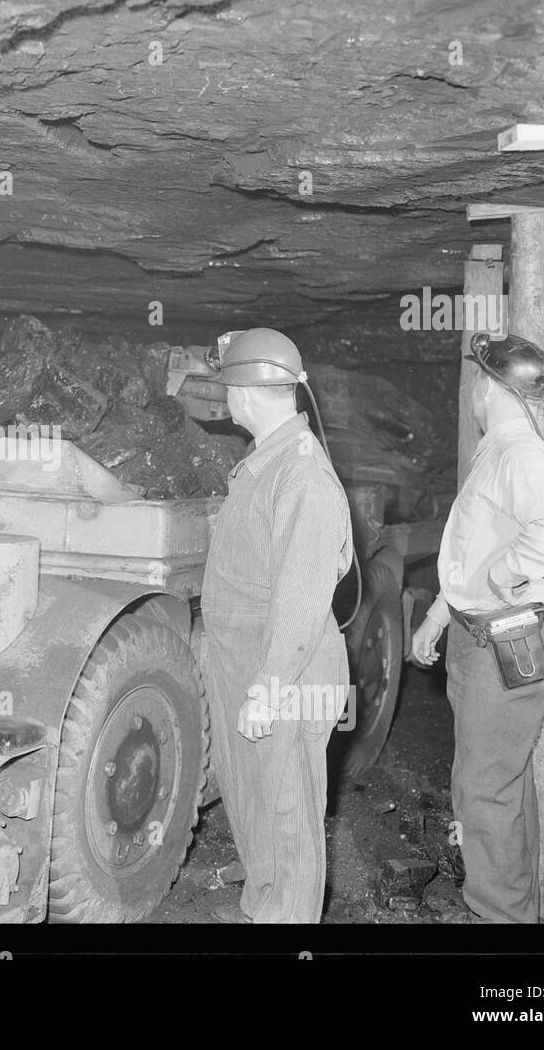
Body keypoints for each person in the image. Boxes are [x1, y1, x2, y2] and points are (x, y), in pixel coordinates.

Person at [412, 332, 544, 924]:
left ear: (491, 387)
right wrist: (437, 612)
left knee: (483, 791)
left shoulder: (520, 455)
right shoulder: (499, 449)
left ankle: (496, 922)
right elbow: (475, 543)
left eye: (478, 378)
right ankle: (518, 913)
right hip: (481, 639)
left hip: (502, 644)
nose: (473, 389)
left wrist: (504, 575)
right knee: (499, 785)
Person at [199, 328, 353, 923]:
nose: (225, 397)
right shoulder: (265, 461)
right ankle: (260, 909)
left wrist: (269, 684)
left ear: (248, 389)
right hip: (249, 664)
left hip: (285, 672)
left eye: (228, 384)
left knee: (289, 817)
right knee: (253, 799)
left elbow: (301, 593)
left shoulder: (302, 473)